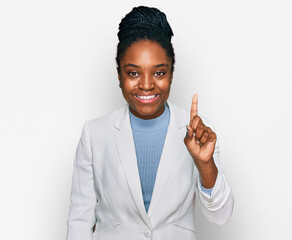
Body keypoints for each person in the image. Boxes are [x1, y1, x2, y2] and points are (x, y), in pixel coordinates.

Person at [66, 6, 234, 240]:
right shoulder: (94, 134)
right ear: (119, 76)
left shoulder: (200, 132)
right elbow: (79, 222)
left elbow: (222, 216)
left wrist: (204, 163)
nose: (146, 85)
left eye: (159, 73)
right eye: (133, 73)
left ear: (171, 74)